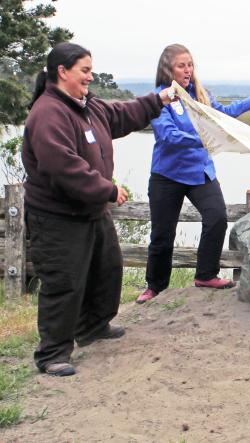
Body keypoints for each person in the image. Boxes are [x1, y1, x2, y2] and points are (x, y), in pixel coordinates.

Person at [22, 42, 175, 376]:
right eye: (85, 71)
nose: (90, 77)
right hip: (58, 216)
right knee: (65, 282)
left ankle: (93, 327)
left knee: (106, 269)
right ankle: (52, 354)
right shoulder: (49, 112)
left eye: (91, 70)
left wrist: (159, 99)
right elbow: (63, 165)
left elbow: (122, 115)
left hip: (90, 210)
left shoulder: (87, 106)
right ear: (62, 72)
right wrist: (107, 189)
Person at [136, 44, 250, 304]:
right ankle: (155, 287)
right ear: (168, 69)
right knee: (163, 234)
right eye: (181, 65)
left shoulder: (200, 94)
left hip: (200, 171)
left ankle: (206, 274)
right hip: (167, 175)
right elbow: (168, 135)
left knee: (217, 217)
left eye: (190, 65)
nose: (187, 70)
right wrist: (205, 139)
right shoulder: (159, 98)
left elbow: (221, 115)